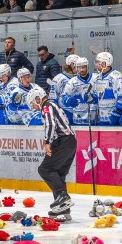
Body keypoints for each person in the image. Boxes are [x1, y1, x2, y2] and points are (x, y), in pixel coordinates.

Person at [27, 86, 76, 222]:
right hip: (70, 141)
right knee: (59, 174)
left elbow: (50, 124)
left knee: (45, 169)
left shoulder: (47, 106)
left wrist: (47, 141)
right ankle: (63, 210)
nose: (34, 108)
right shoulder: (53, 104)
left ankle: (63, 196)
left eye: (32, 104)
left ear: (37, 99)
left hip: (63, 141)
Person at [61, 57, 97, 125]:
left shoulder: (96, 78)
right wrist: (68, 100)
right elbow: (63, 96)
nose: (81, 70)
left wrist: (95, 98)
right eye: (79, 68)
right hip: (78, 119)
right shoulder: (72, 81)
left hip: (94, 119)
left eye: (83, 67)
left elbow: (101, 95)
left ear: (87, 67)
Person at [93, 52, 122, 126]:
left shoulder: (116, 76)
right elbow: (97, 96)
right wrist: (92, 97)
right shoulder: (98, 77)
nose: (96, 64)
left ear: (104, 63)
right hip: (101, 118)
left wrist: (117, 112)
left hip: (112, 118)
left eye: (98, 62)